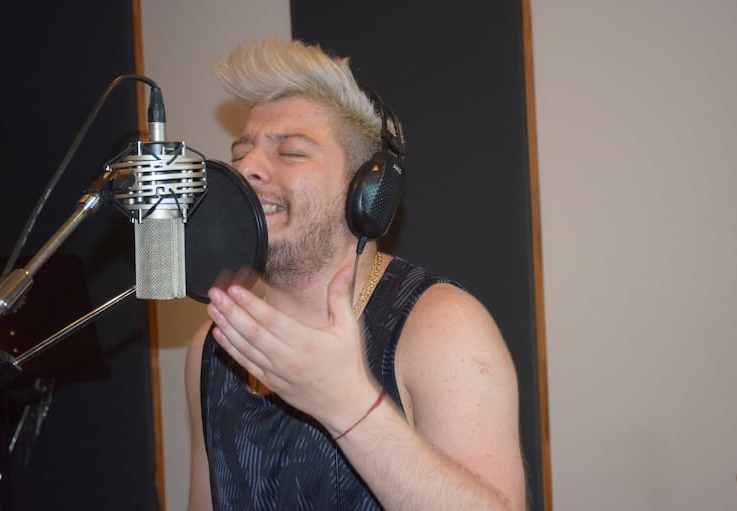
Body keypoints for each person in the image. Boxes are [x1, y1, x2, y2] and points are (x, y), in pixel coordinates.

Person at [186, 38, 526, 511]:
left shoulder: (443, 328)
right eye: (240, 151)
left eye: (290, 152)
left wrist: (348, 405)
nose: (246, 169)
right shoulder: (215, 342)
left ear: (367, 191)